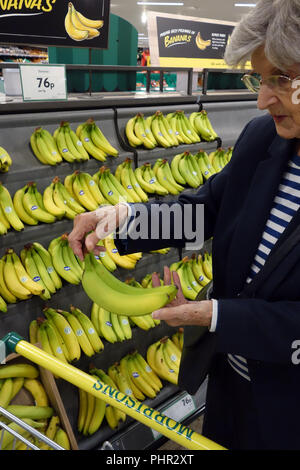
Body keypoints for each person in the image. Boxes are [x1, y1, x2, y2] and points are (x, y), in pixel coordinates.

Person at [68, 0, 300, 450]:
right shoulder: (262, 139)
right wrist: (121, 220)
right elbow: (206, 211)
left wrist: (217, 315)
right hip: (230, 389)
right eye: (259, 78)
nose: (262, 98)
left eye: (282, 79)